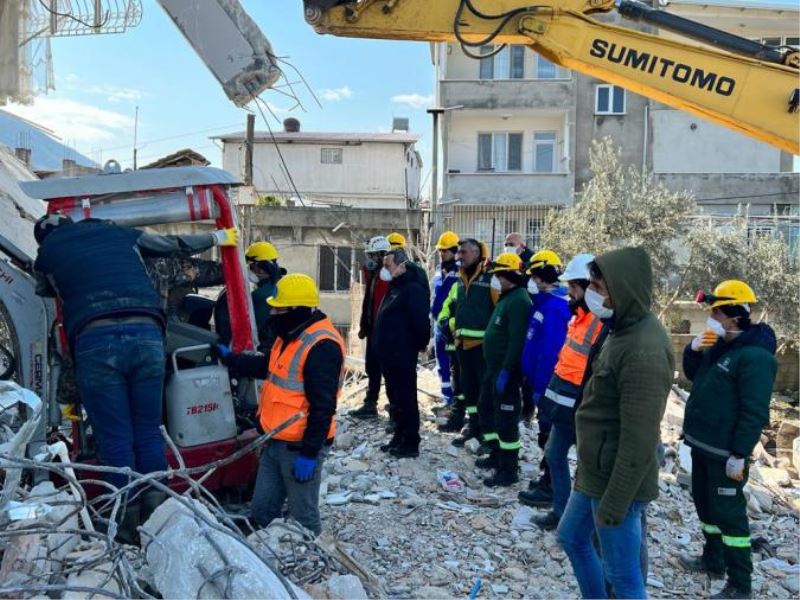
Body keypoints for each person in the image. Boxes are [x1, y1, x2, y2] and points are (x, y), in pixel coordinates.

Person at [33, 213, 239, 541]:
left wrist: (66, 395)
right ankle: (158, 515)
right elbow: (172, 245)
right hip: (147, 334)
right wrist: (218, 238)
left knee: (116, 437)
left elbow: (44, 291)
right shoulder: (117, 230)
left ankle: (126, 525)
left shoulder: (47, 254)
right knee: (147, 429)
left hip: (96, 340)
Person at [557, 247, 674, 600]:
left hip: (615, 481)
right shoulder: (621, 327)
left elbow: (640, 442)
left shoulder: (644, 349)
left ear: (622, 288)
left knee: (623, 577)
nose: (592, 293)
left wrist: (616, 502)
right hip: (595, 473)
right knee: (572, 538)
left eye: (598, 286)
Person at [219, 274, 343, 535]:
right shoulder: (289, 334)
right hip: (274, 441)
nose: (272, 312)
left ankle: (312, 563)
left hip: (298, 447)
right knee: (261, 510)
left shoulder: (321, 346)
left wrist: (309, 453)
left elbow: (323, 407)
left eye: (278, 308)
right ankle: (259, 554)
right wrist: (232, 359)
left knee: (303, 518)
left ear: (296, 310)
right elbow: (268, 367)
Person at [680, 280, 777, 600]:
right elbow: (695, 376)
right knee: (705, 505)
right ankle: (713, 560)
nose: (712, 318)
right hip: (702, 444)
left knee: (730, 516)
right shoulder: (720, 344)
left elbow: (754, 411)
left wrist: (740, 453)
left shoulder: (755, 357)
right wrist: (692, 349)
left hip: (725, 453)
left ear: (733, 316)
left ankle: (740, 583)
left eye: (716, 313)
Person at [531, 253, 606, 530]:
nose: (570, 292)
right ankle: (561, 513)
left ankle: (582, 525)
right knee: (553, 454)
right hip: (564, 403)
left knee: (587, 470)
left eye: (574, 287)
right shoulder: (577, 317)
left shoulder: (601, 323)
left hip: (584, 406)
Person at [517, 250, 571, 508]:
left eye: (536, 277)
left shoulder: (555, 308)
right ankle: (545, 478)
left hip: (548, 385)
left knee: (550, 437)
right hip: (539, 383)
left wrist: (539, 386)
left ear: (544, 277)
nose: (532, 282)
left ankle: (550, 487)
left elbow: (549, 352)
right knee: (545, 435)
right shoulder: (544, 305)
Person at [477, 252, 531, 487]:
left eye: (499, 274)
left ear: (510, 275)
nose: (496, 278)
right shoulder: (506, 297)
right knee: (487, 409)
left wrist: (507, 371)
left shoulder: (519, 300)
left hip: (505, 372)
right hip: (493, 368)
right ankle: (495, 454)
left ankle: (509, 469)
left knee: (506, 420)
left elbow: (516, 340)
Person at [437, 239, 497, 447]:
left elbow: (500, 312)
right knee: (469, 392)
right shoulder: (459, 281)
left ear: (476, 253)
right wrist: (445, 321)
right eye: (458, 252)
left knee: (485, 396)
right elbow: (449, 305)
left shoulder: (491, 279)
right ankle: (473, 428)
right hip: (462, 347)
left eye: (463, 252)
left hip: (483, 348)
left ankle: (489, 438)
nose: (458, 256)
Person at [372, 247, 431, 457]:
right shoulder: (395, 287)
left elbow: (420, 322)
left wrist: (419, 344)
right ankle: (398, 437)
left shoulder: (413, 288)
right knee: (395, 399)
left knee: (406, 398)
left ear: (401, 264)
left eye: (388, 265)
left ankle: (411, 442)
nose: (384, 270)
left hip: (402, 353)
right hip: (388, 354)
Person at [351, 236, 392, 419]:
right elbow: (369, 302)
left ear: (383, 255)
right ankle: (370, 404)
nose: (370, 260)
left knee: (389, 372)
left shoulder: (389, 277)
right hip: (374, 329)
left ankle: (395, 410)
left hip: (386, 332)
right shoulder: (375, 275)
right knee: (372, 368)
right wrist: (364, 326)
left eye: (373, 256)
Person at [215, 240, 284, 348]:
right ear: (257, 266)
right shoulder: (248, 289)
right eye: (271, 263)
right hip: (243, 345)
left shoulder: (252, 284)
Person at [431, 231, 461, 407]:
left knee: (455, 365)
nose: (442, 254)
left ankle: (457, 399)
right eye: (440, 251)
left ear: (455, 251)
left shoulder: (461, 271)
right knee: (442, 364)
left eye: (445, 251)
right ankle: (447, 398)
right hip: (438, 325)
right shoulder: (438, 270)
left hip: (452, 326)